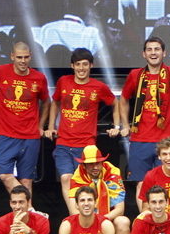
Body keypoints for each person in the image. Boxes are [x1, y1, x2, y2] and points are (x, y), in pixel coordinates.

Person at [46, 48, 118, 215]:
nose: (81, 68)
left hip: (86, 145)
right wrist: (51, 126)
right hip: (64, 142)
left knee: (86, 185)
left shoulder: (98, 87)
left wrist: (117, 126)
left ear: (91, 65)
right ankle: (75, 217)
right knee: (66, 178)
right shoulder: (64, 81)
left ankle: (88, 218)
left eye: (85, 64)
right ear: (72, 66)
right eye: (78, 64)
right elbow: (55, 103)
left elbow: (116, 103)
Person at [115, 36, 170, 181]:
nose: (153, 53)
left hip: (168, 141)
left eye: (157, 49)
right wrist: (126, 125)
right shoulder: (135, 75)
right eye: (149, 50)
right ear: (144, 54)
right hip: (140, 139)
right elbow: (123, 99)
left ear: (164, 53)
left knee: (169, 183)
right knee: (140, 184)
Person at [0, 42, 50, 198]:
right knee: (4, 175)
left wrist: (41, 126)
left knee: (27, 181)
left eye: (26, 57)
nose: (23, 61)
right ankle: (29, 209)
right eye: (19, 57)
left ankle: (27, 219)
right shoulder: (1, 72)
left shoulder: (39, 78)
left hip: (30, 136)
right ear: (12, 56)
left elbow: (47, 102)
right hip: (5, 133)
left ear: (31, 56)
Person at [68, 145, 132, 234]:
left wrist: (102, 221)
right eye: (91, 164)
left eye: (98, 163)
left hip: (108, 217)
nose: (95, 167)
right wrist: (93, 222)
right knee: (69, 223)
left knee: (123, 222)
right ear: (84, 165)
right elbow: (74, 212)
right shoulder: (77, 178)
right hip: (87, 220)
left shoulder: (112, 172)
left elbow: (120, 209)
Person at [136, 138, 170, 215]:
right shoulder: (151, 176)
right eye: (164, 154)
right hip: (161, 220)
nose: (168, 158)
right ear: (159, 156)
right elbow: (145, 208)